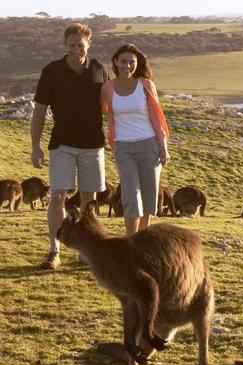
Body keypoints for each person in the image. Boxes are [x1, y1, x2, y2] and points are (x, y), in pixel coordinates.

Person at [31, 23, 109, 270]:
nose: (77, 50)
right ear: (66, 45)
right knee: (57, 197)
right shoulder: (51, 71)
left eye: (81, 45)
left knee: (89, 199)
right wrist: (35, 146)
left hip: (93, 144)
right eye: (72, 45)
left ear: (90, 44)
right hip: (61, 144)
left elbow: (111, 107)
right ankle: (54, 251)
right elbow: (40, 113)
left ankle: (87, 251)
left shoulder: (99, 69)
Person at [100, 43, 170, 236]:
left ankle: (141, 239)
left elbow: (157, 118)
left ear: (137, 64)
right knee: (131, 196)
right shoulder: (107, 87)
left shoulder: (146, 85)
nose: (127, 66)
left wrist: (163, 147)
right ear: (115, 62)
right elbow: (105, 112)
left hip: (149, 145)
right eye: (123, 61)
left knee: (149, 196)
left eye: (132, 62)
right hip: (123, 148)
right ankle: (131, 241)